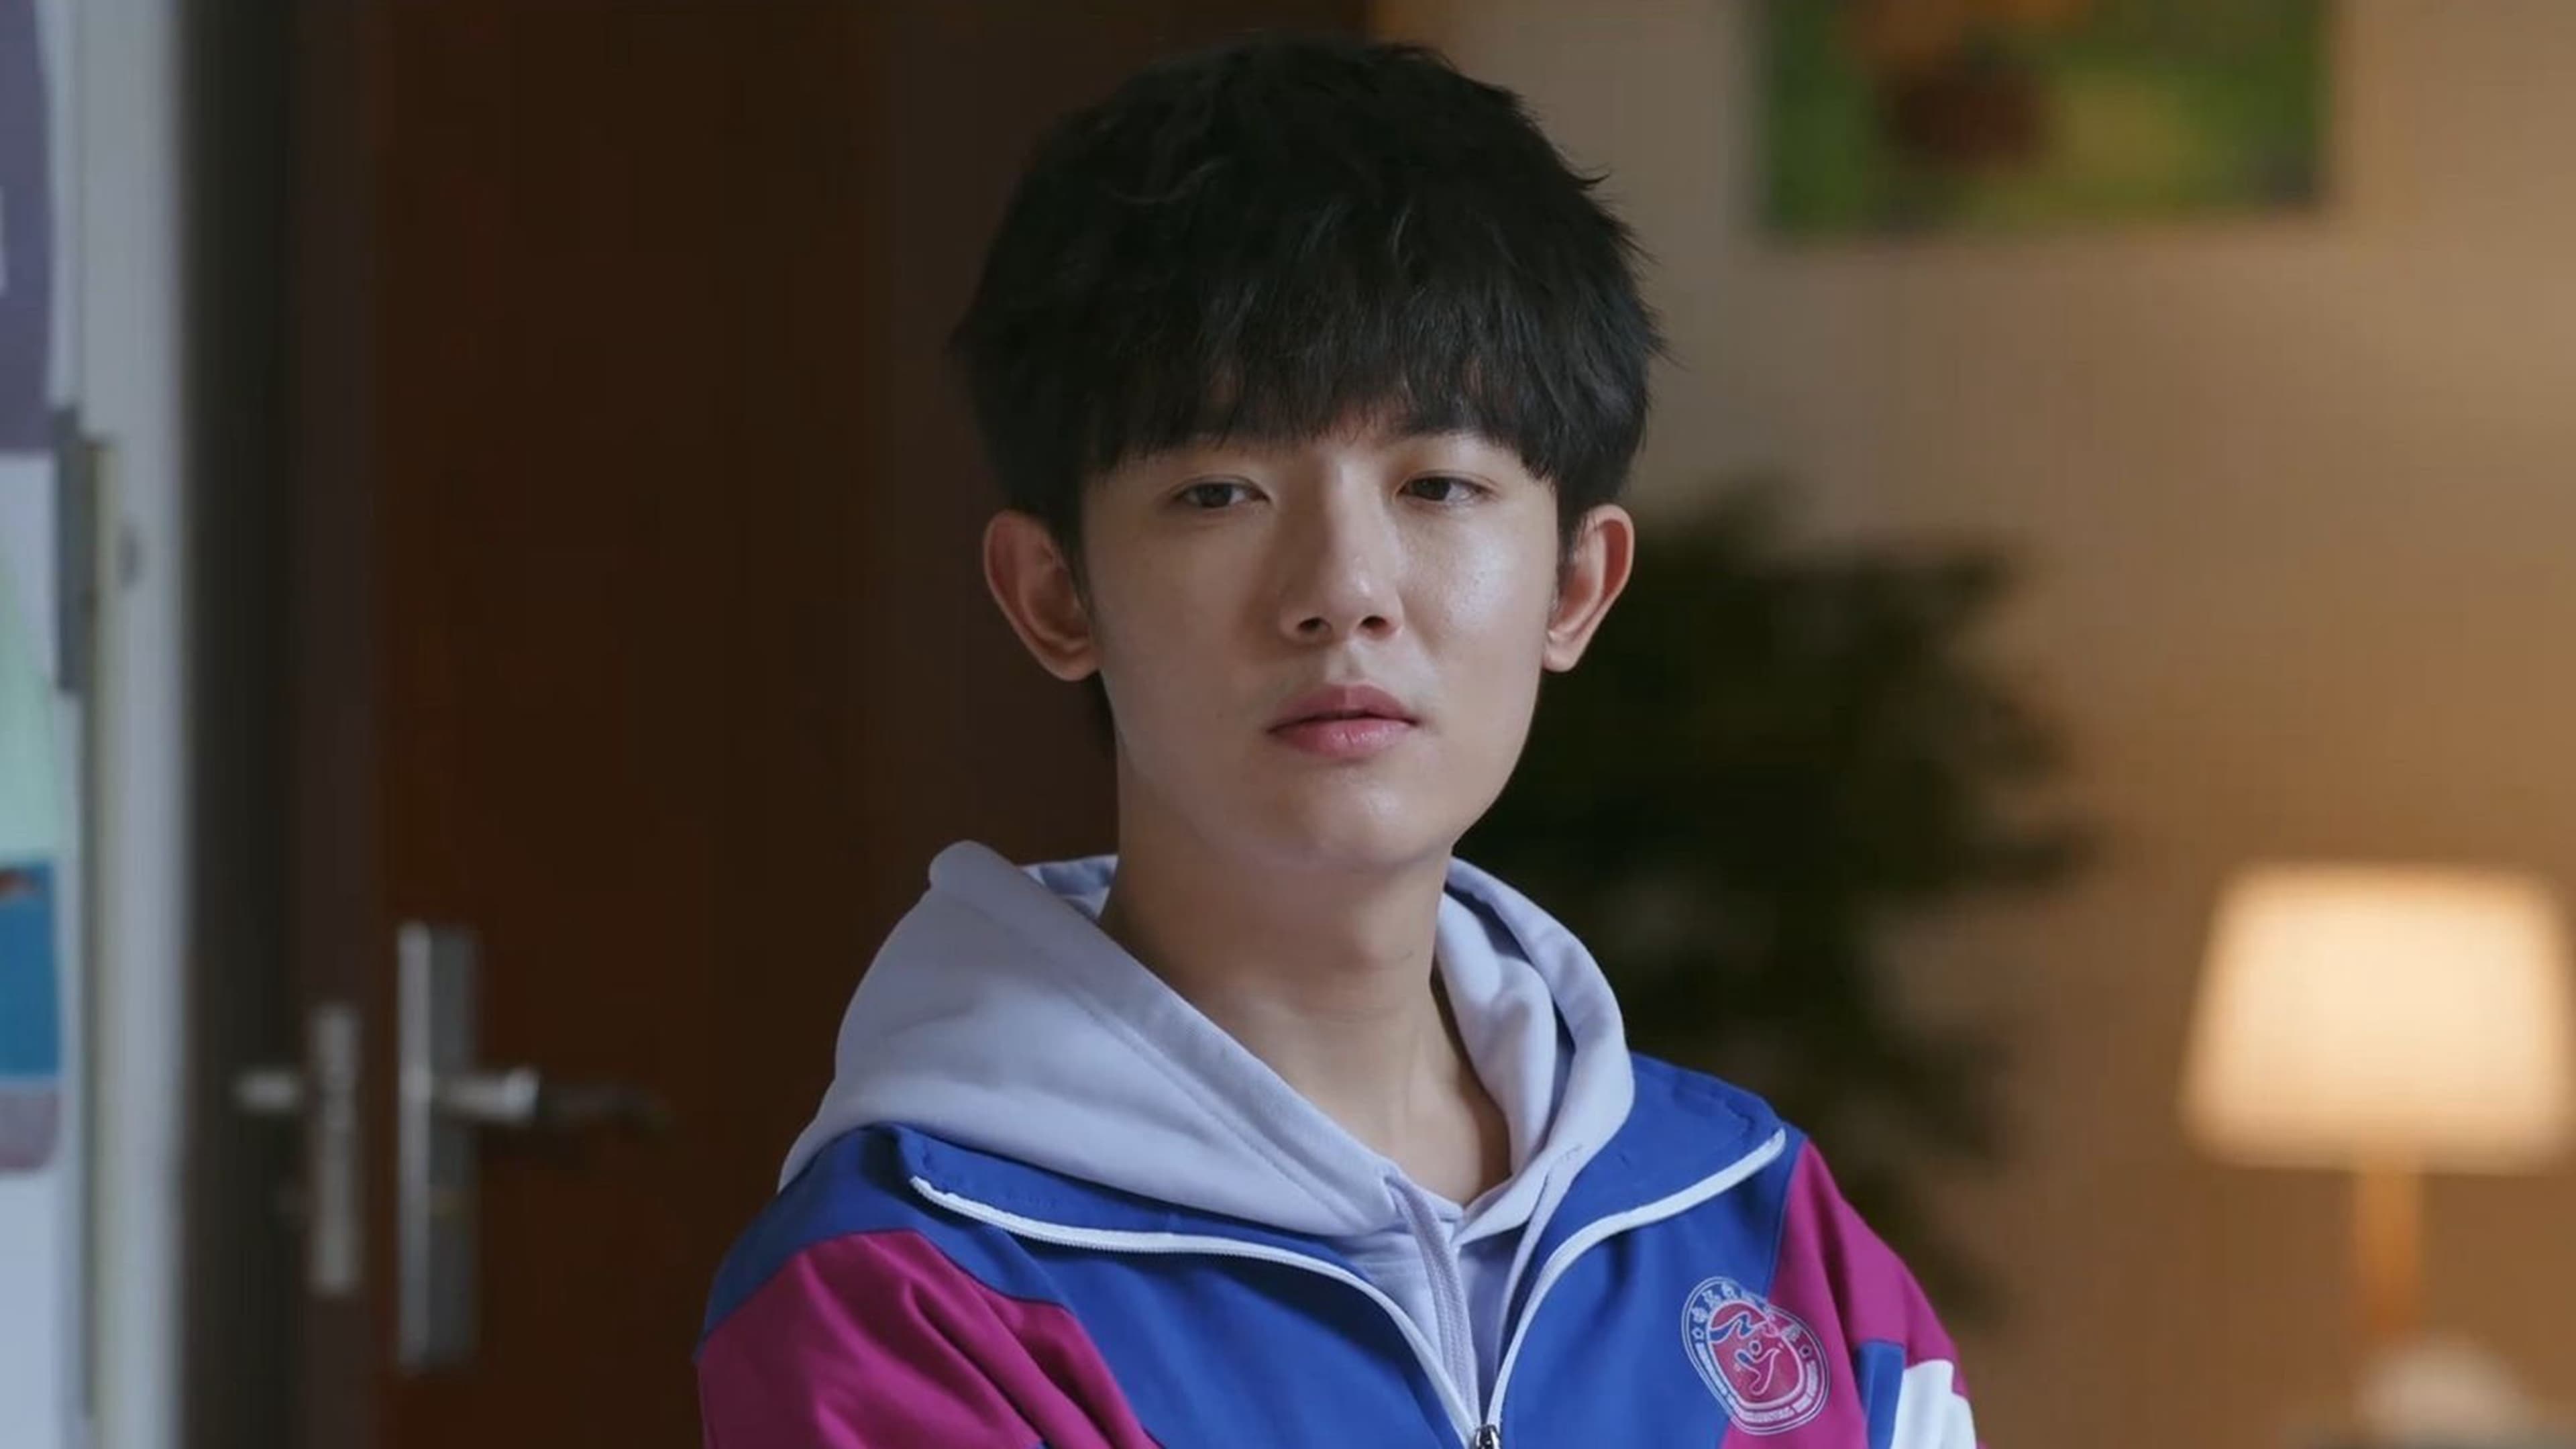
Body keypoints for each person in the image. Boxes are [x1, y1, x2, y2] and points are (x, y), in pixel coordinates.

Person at [696, 32, 1977, 1449]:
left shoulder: (1764, 1226)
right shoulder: (913, 1292)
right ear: (1057, 595)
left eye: (1438, 485)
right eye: (1220, 492)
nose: (1344, 592)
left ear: (1575, 584)